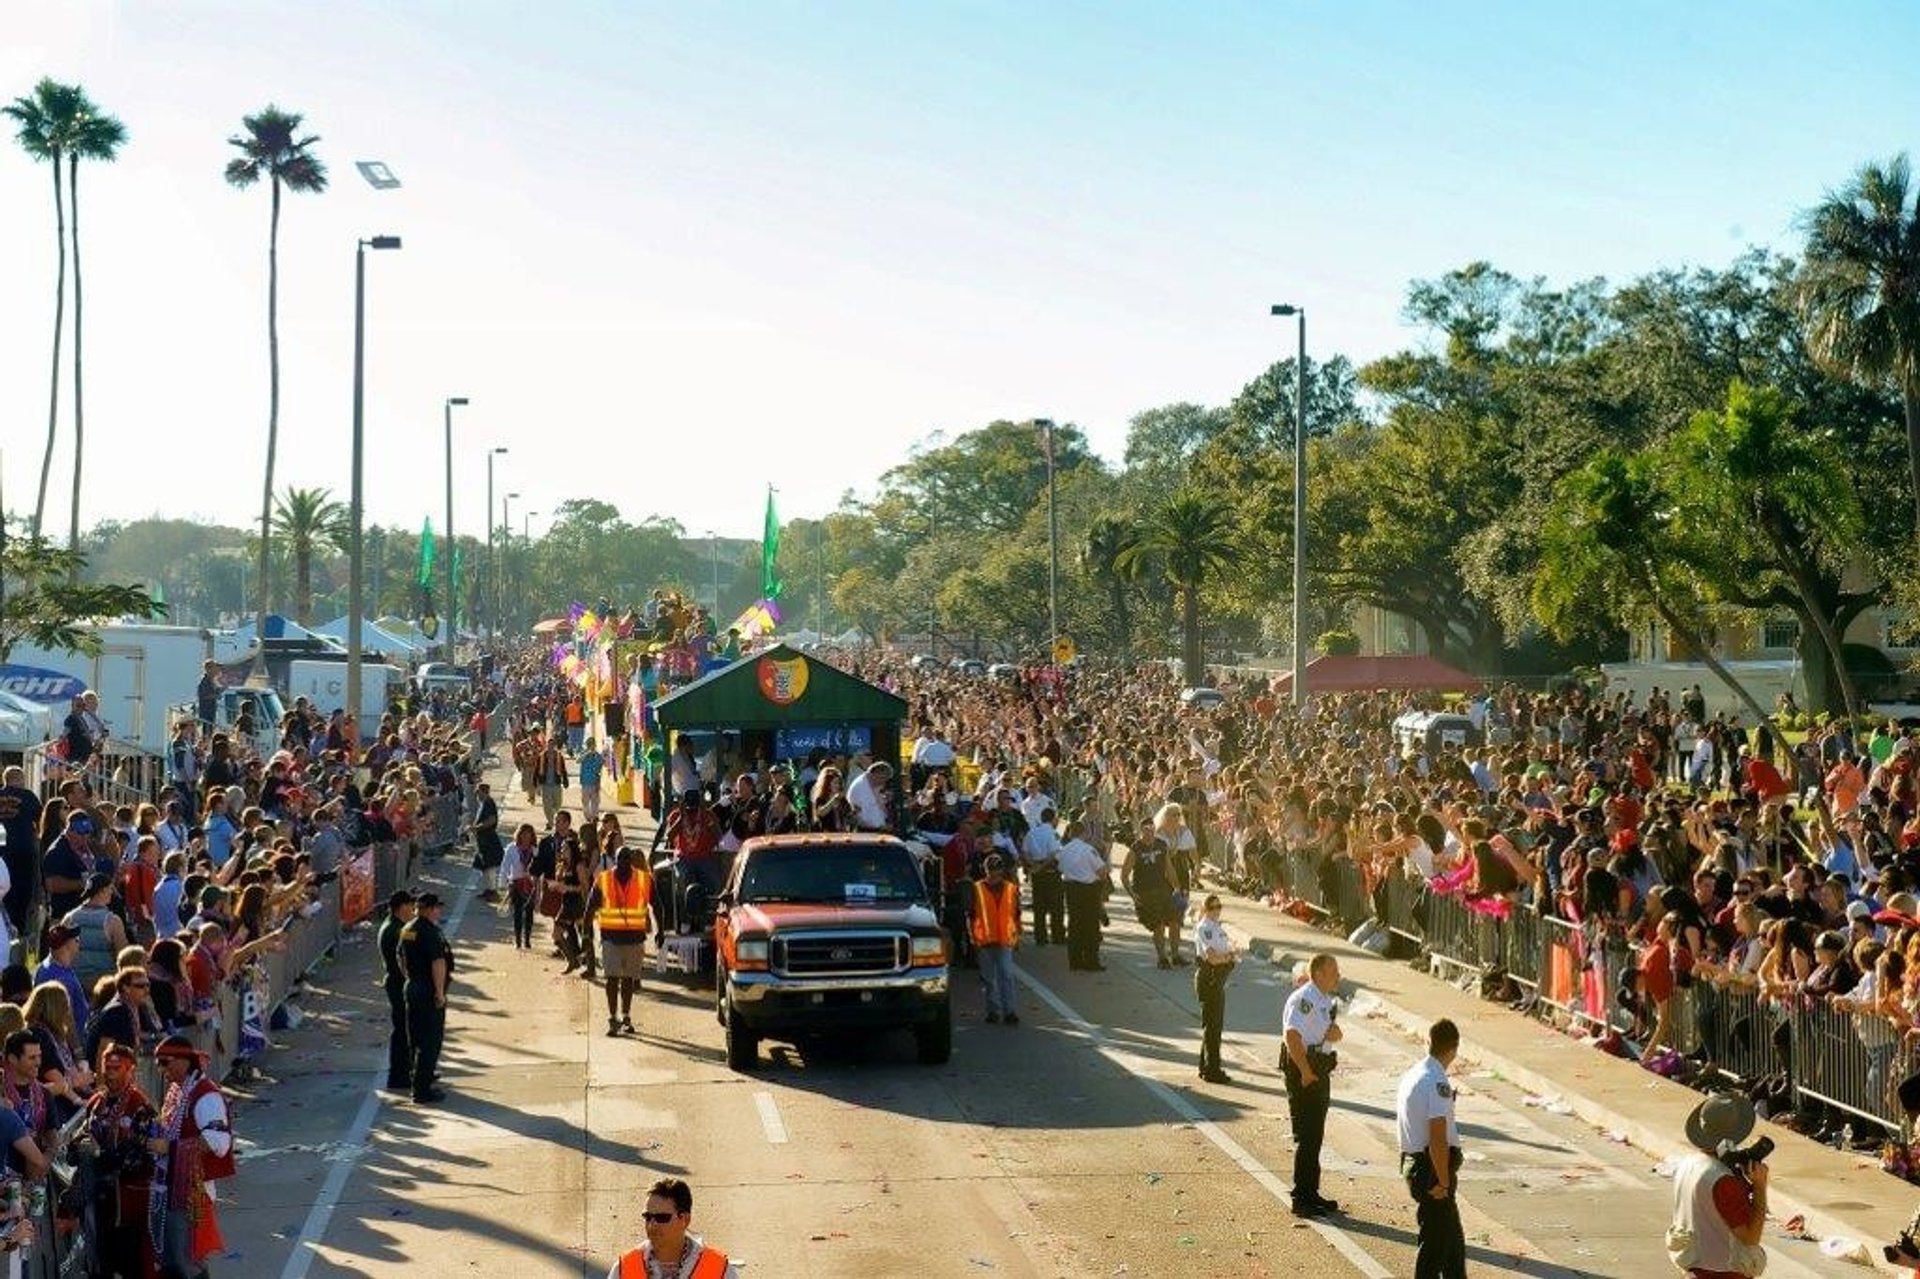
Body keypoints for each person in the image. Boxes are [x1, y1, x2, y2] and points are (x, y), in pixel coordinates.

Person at [148, 1034, 235, 1278]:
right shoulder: (177, 1092)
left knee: (187, 1261)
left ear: (183, 1061)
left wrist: (170, 1148)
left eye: (165, 1063)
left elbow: (219, 1141)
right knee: (171, 1260)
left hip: (191, 1191)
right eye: (158, 1064)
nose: (161, 1070)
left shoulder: (206, 1095)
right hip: (168, 1186)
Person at [1668, 1093, 1770, 1279]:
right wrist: (1760, 1187)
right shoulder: (1723, 1180)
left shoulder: (1687, 1164)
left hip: (1693, 1265)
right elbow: (1750, 1237)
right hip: (1723, 1271)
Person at [1397, 1018, 1465, 1279]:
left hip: (1417, 1164)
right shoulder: (1436, 1081)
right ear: (1454, 1049)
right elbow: (1437, 1138)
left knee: (1453, 1247)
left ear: (1429, 1043)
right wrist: (1444, 1181)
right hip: (1433, 1170)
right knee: (1435, 1246)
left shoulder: (1415, 1074)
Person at [87, 1039, 158, 1279]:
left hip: (129, 1202)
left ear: (131, 1070)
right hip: (99, 1200)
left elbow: (140, 1156)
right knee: (101, 1265)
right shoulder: (96, 1103)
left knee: (132, 1265)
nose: (109, 1074)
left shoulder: (141, 1106)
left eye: (116, 1068)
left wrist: (103, 1156)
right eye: (107, 1068)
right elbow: (83, 1141)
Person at [1280, 952, 1343, 1218]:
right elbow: (1292, 1035)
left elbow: (1324, 1031)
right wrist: (1305, 1072)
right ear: (1318, 974)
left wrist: (1334, 1034)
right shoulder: (1304, 999)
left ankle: (1311, 1192)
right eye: (1334, 972)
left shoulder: (1323, 999)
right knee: (1306, 1136)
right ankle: (1300, 1198)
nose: (1338, 976)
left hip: (1318, 1068)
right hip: (1304, 1070)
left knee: (1315, 1136)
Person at [605, 1176, 738, 1278]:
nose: (652, 1225)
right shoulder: (625, 1268)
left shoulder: (718, 1269)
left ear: (685, 1219)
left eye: (662, 1218)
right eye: (647, 1217)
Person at [588, 847, 651, 1038]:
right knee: (612, 978)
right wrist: (586, 932)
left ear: (631, 860)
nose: (624, 861)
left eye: (627, 857)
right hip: (610, 938)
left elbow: (659, 906)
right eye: (620, 858)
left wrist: (661, 932)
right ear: (614, 860)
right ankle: (612, 1017)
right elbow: (591, 906)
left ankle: (626, 1015)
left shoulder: (643, 879)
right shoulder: (603, 879)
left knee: (628, 980)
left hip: (634, 938)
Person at [398, 893, 453, 1105]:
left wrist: (410, 978)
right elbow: (438, 963)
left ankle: (419, 1079)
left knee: (416, 1037)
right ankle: (422, 1089)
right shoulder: (430, 932)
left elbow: (400, 957)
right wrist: (439, 993)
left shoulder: (408, 929)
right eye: (437, 908)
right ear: (429, 909)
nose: (439, 911)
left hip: (412, 986)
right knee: (431, 1040)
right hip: (428, 990)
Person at [1193, 895, 1238, 1083]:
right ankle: (1212, 1069)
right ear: (1205, 909)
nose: (1216, 910)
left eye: (1219, 906)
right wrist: (1228, 958)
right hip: (1209, 977)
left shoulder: (1217, 927)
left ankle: (1206, 1066)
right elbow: (1211, 957)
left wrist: (1231, 954)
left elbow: (1223, 950)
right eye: (1212, 907)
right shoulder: (1205, 928)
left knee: (1213, 1025)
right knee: (1213, 1026)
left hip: (1217, 978)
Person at [972, 855, 1020, 1025]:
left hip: (1004, 940)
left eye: (997, 870)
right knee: (989, 979)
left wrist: (1016, 937)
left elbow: (1016, 914)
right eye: (991, 870)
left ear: (1002, 871)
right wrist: (973, 939)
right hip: (984, 941)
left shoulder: (1010, 889)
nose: (994, 874)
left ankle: (1010, 1011)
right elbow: (971, 914)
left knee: (1006, 975)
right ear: (986, 871)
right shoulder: (976, 889)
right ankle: (993, 1011)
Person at [1056, 819, 1108, 972]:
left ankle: (1075, 960)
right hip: (1089, 889)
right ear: (1084, 833)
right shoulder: (1088, 850)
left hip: (1071, 889)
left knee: (1074, 925)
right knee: (1090, 926)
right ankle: (1091, 961)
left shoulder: (1064, 850)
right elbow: (1101, 871)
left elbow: (1060, 867)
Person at [378, 891, 416, 1093]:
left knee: (406, 1028)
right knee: (402, 1030)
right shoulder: (396, 929)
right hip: (398, 983)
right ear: (402, 907)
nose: (414, 911)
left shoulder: (394, 925)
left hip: (397, 982)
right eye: (411, 906)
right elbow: (415, 939)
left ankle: (408, 1069)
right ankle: (399, 1074)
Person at [472, 783, 504, 903]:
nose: (476, 795)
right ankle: (489, 890)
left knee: (489, 865)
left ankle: (493, 891)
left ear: (483, 792)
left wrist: (477, 827)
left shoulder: (488, 803)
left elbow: (491, 820)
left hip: (488, 838)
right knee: (485, 866)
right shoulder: (485, 803)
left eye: (478, 792)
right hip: (484, 838)